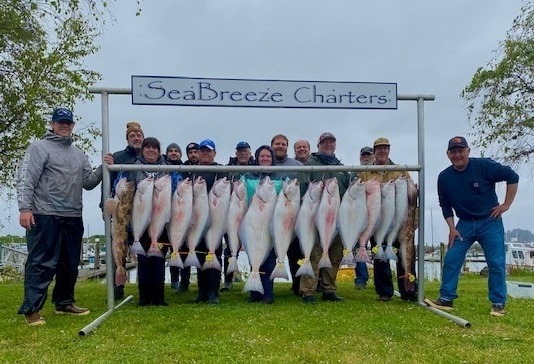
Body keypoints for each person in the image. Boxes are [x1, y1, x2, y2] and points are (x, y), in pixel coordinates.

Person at [17, 107, 113, 326]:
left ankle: (64, 302)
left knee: (69, 263)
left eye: (68, 123)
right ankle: (31, 309)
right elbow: (26, 179)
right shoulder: (38, 148)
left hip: (72, 215)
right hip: (44, 215)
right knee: (41, 263)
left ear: (72, 126)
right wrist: (25, 208)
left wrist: (103, 167)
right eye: (60, 122)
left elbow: (88, 182)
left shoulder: (78, 154)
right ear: (52, 124)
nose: (64, 125)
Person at [425, 136, 518, 317]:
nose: (457, 155)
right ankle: (446, 298)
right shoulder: (444, 177)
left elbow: (512, 176)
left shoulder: (484, 166)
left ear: (468, 151)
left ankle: (498, 303)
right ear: (448, 154)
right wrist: (452, 228)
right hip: (464, 224)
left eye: (461, 150)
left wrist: (506, 204)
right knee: (452, 259)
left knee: (496, 263)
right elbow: (445, 204)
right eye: (453, 152)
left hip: (490, 221)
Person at [359, 137, 418, 302]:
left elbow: (411, 191)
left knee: (405, 255)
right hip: (376, 222)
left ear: (389, 150)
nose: (382, 151)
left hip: (400, 220)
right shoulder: (365, 172)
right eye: (379, 149)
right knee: (379, 256)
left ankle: (409, 290)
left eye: (385, 148)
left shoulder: (400, 170)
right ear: (374, 152)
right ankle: (384, 291)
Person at [127, 137, 182, 306]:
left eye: (155, 148)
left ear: (159, 151)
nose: (151, 150)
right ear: (142, 150)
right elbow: (128, 190)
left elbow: (177, 188)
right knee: (143, 260)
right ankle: (144, 297)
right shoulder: (133, 168)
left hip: (161, 222)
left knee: (158, 260)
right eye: (148, 147)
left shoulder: (168, 169)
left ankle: (158, 297)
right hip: (140, 221)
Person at [299, 132, 349, 304]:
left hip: (337, 219)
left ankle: (329, 289)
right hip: (315, 218)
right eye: (324, 143)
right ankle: (308, 291)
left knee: (334, 255)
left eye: (331, 142)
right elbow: (303, 191)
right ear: (318, 145)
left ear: (335, 145)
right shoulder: (310, 165)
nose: (328, 145)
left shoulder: (341, 168)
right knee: (314, 254)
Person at [107, 121, 145, 300]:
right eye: (132, 136)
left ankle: (144, 285)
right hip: (120, 208)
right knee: (119, 246)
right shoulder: (118, 157)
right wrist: (104, 206)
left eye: (139, 135)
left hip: (141, 209)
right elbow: (107, 184)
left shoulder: (148, 156)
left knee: (141, 246)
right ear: (127, 138)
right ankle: (118, 287)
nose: (136, 138)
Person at [243, 145, 284, 304]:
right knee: (253, 259)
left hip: (271, 225)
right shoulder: (248, 177)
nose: (265, 159)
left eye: (268, 156)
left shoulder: (280, 177)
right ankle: (254, 294)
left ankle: (268, 294)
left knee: (269, 261)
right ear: (257, 158)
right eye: (262, 156)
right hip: (252, 224)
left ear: (272, 159)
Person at [190, 139, 227, 304]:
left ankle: (213, 292)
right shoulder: (193, 171)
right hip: (198, 219)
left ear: (215, 153)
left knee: (214, 254)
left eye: (208, 151)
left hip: (216, 220)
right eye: (202, 150)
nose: (205, 153)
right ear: (197, 153)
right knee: (199, 255)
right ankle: (202, 291)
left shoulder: (221, 172)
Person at [271, 134, 304, 295]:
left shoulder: (297, 165)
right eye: (277, 144)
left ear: (287, 147)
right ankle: (267, 284)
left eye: (283, 144)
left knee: (295, 251)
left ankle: (297, 284)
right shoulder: (266, 163)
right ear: (272, 145)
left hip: (291, 213)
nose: (280, 146)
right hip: (270, 214)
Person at [221, 141, 255, 292]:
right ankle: (228, 280)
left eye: (245, 151)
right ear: (236, 153)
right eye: (239, 151)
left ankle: (254, 276)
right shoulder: (228, 170)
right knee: (230, 248)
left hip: (252, 213)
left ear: (250, 153)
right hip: (233, 212)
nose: (242, 153)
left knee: (251, 246)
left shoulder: (256, 169)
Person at [164, 143, 186, 292]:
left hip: (181, 212)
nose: (173, 153)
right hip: (165, 212)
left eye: (176, 151)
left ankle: (183, 281)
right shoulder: (162, 168)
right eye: (170, 151)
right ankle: (173, 279)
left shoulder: (185, 170)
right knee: (169, 247)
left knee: (181, 247)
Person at [353, 146, 373, 289]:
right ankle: (361, 278)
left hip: (376, 215)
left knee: (378, 246)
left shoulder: (379, 172)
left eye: (368, 155)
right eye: (363, 155)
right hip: (359, 216)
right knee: (359, 246)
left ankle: (381, 280)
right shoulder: (355, 173)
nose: (366, 157)